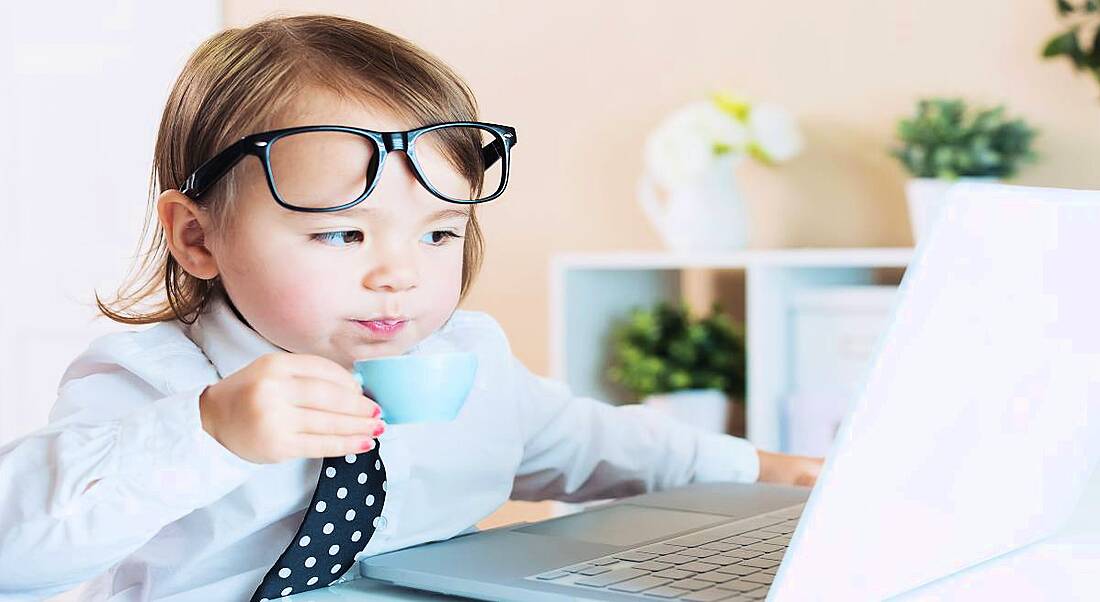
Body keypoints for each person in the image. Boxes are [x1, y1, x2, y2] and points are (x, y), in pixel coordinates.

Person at [0, 15, 822, 601]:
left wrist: (763, 470)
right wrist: (206, 433)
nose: (399, 275)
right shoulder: (152, 380)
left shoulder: (471, 359)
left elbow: (595, 445)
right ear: (198, 237)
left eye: (438, 234)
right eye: (341, 237)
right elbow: (18, 553)